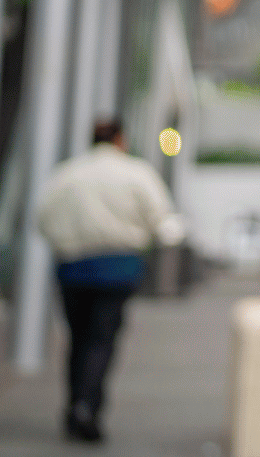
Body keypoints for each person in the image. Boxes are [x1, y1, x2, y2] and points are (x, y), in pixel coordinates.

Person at [36, 118, 186, 442]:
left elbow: (42, 217)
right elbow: (162, 219)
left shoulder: (67, 174)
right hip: (118, 268)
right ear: (121, 138)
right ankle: (88, 406)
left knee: (77, 338)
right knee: (102, 339)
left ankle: (76, 403)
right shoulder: (136, 173)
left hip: (72, 267)